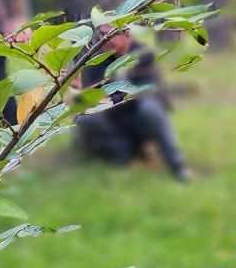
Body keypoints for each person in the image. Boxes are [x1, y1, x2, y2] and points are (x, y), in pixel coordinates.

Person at [74, 26, 191, 181]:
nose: (104, 40)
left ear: (127, 35)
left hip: (138, 115)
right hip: (113, 118)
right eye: (100, 35)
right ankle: (120, 152)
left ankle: (177, 165)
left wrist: (113, 99)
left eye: (110, 35)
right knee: (84, 118)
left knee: (150, 107)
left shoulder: (143, 54)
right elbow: (88, 96)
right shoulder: (96, 61)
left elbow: (149, 90)